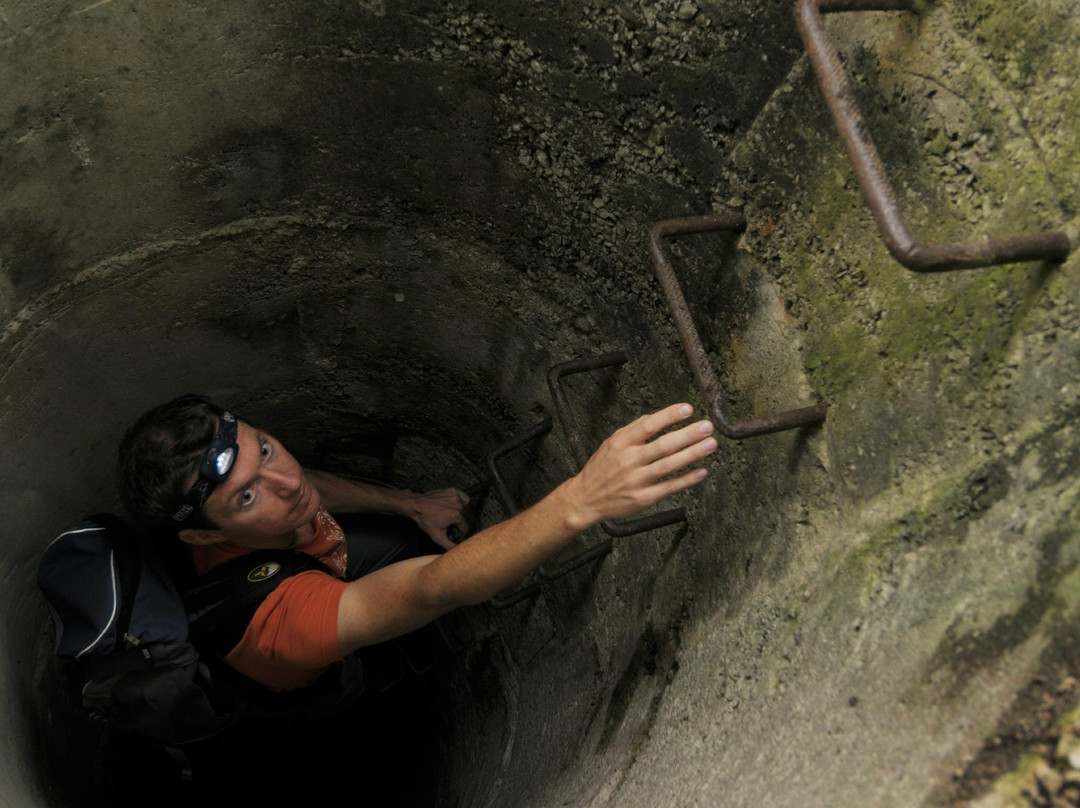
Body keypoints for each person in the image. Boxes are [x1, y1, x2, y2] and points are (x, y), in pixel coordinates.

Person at [117, 394, 717, 693]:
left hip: (317, 563)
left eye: (267, 449)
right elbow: (432, 588)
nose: (286, 481)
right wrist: (579, 500)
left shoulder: (280, 489)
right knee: (345, 696)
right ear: (202, 533)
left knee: (397, 536)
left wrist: (410, 502)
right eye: (246, 497)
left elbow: (305, 488)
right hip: (306, 670)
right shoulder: (275, 626)